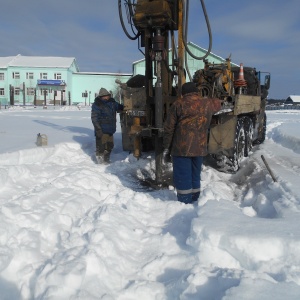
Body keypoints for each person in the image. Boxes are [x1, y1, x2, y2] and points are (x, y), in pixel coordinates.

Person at [163, 82, 222, 204]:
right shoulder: (207, 103)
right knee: (195, 176)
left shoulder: (178, 104)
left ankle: (185, 203)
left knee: (183, 176)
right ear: (196, 92)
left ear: (183, 93)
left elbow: (169, 128)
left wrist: (167, 147)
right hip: (199, 148)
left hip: (181, 149)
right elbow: (218, 103)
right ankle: (195, 201)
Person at [91, 87, 123, 164]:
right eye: (105, 95)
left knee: (110, 146)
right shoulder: (97, 105)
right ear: (102, 96)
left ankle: (106, 159)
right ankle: (100, 162)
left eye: (108, 95)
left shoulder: (112, 103)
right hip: (102, 130)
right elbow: (94, 118)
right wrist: (98, 129)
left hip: (110, 129)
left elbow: (120, 107)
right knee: (101, 147)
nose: (107, 96)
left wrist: (125, 106)